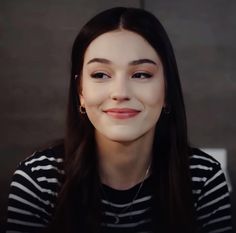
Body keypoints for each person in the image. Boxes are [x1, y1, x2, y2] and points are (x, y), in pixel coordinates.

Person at [5, 7, 232, 233]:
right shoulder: (39, 180)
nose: (120, 92)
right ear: (81, 92)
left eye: (141, 74)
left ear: (167, 91)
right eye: (100, 75)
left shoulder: (202, 179)